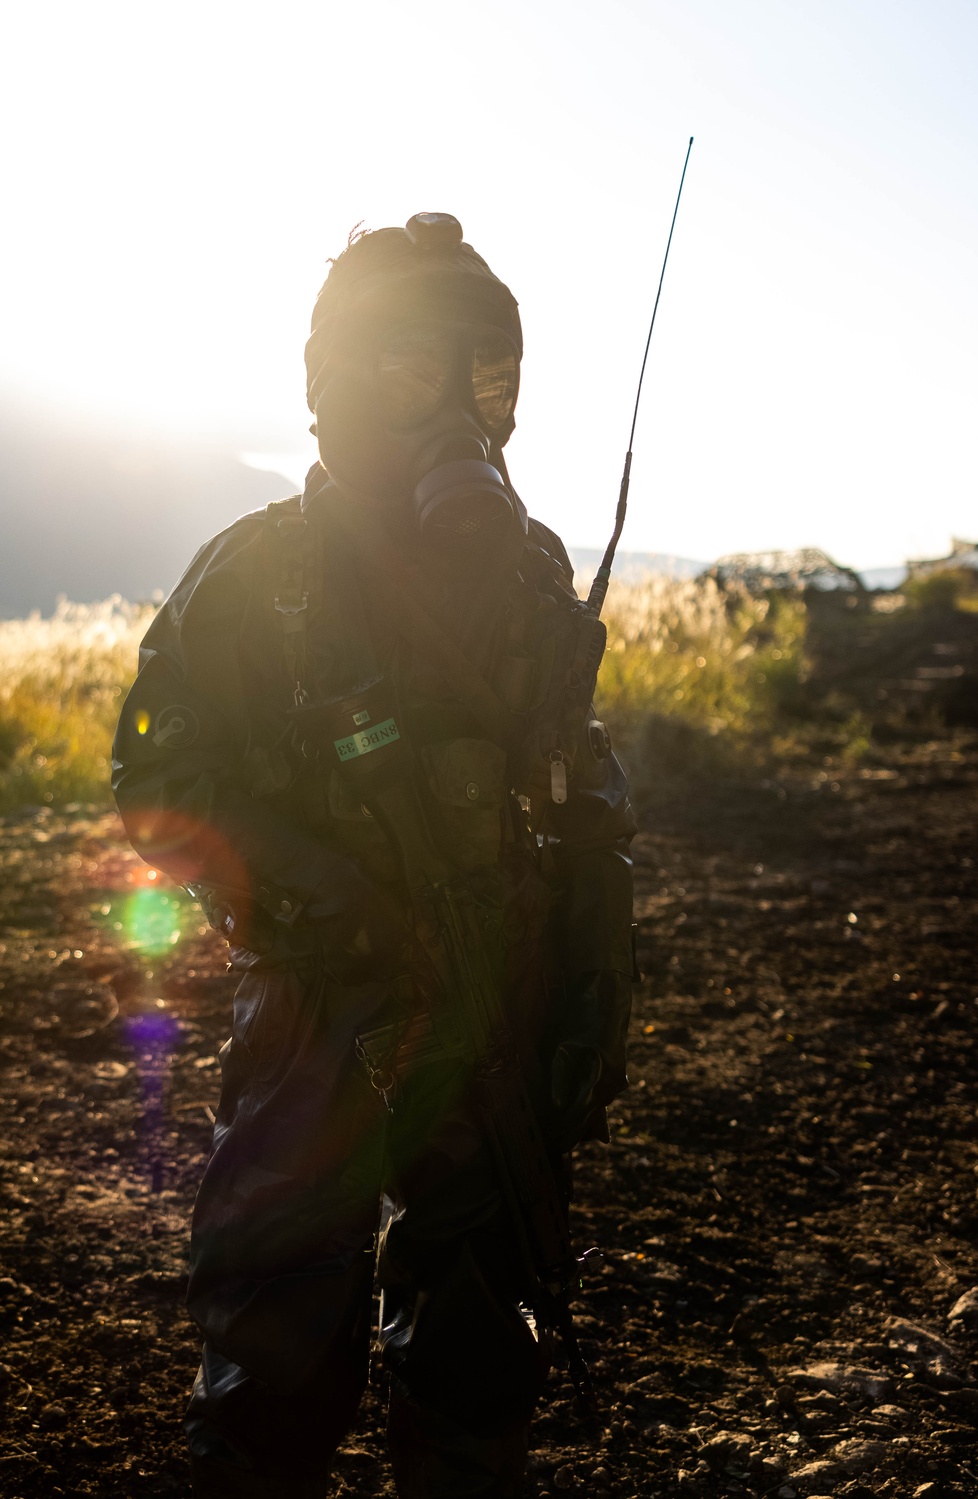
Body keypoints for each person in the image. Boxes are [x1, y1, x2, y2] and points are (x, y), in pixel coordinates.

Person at [112, 213, 636, 1499]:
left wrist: (589, 986)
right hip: (315, 1004)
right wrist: (316, 891)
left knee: (473, 1343)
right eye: (414, 370)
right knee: (275, 1331)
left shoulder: (528, 573)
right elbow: (158, 782)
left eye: (488, 377)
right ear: (333, 383)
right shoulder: (257, 575)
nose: (458, 411)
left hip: (488, 998)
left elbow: (580, 789)